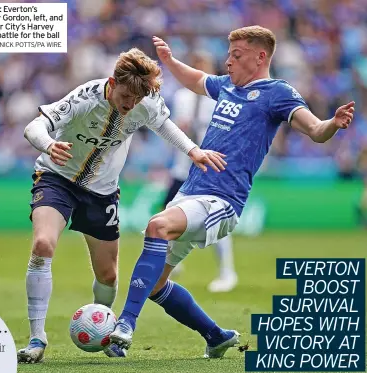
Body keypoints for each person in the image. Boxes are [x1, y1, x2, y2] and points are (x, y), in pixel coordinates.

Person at [108, 26, 355, 358]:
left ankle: (124, 325)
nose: (228, 62)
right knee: (154, 284)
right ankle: (216, 336)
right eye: (228, 55)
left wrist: (332, 124)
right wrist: (169, 60)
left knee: (157, 225)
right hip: (191, 191)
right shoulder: (227, 86)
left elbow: (314, 129)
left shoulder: (277, 92)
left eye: (236, 56)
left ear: (260, 56)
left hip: (222, 200)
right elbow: (196, 79)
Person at [17, 47, 227, 364]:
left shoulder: (146, 100)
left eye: (137, 99)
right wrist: (49, 143)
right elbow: (34, 126)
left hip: (102, 192)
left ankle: (101, 325)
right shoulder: (85, 96)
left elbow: (165, 126)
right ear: (113, 83)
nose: (130, 104)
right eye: (126, 95)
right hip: (56, 177)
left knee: (108, 276)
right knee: (44, 244)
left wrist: (193, 151)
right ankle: (37, 339)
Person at [164, 52, 237, 292]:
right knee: (169, 213)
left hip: (209, 167)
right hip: (183, 166)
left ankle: (227, 272)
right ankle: (171, 265)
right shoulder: (181, 96)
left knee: (215, 219)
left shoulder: (221, 97)